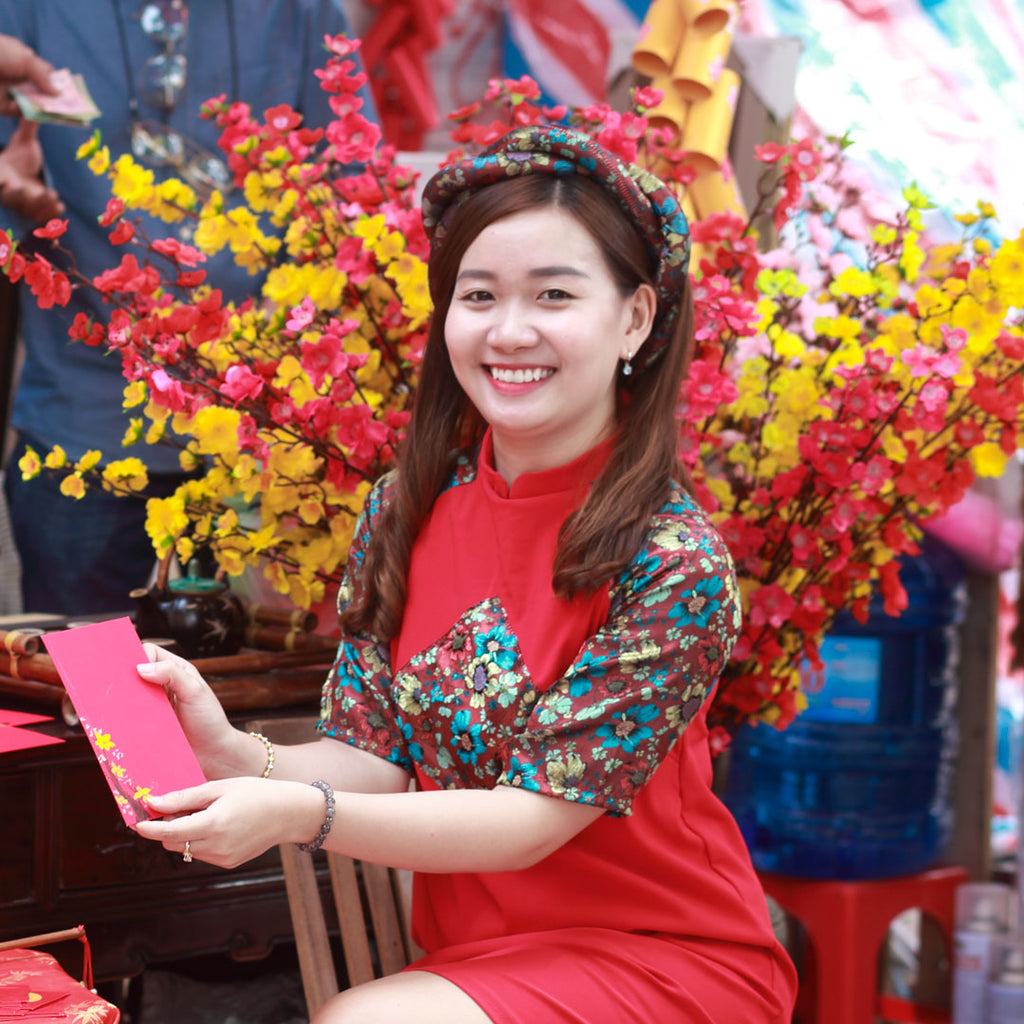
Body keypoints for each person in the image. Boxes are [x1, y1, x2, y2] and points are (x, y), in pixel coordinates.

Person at [133, 124, 799, 1022]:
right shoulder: (405, 511)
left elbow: (530, 821)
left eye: (554, 295)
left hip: (662, 958)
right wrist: (238, 753)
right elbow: (371, 756)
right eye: (478, 295)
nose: (510, 330)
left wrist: (297, 815)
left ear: (635, 317)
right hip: (470, 962)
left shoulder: (672, 563)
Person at [0, 1, 362, 614]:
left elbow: (351, 196)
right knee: (85, 696)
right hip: (85, 436)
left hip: (268, 449)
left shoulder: (299, 12)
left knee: (254, 695)